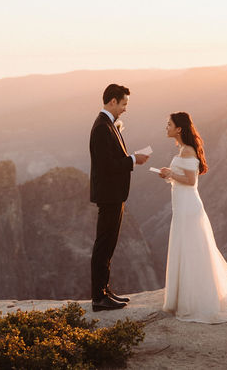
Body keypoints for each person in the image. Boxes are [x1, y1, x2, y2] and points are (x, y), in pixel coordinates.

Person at [159, 111, 227, 322]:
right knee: (186, 248)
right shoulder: (183, 149)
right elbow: (182, 178)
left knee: (192, 250)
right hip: (182, 207)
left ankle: (196, 300)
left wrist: (170, 174)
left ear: (179, 129)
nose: (166, 127)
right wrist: (169, 175)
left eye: (169, 124)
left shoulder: (188, 150)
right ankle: (185, 297)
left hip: (189, 208)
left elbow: (191, 180)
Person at [89, 83, 150, 311]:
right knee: (103, 245)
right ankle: (98, 298)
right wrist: (134, 159)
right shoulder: (102, 128)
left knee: (109, 245)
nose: (125, 109)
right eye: (123, 104)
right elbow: (108, 166)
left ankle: (104, 291)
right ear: (112, 101)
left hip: (114, 195)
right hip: (109, 195)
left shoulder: (108, 125)